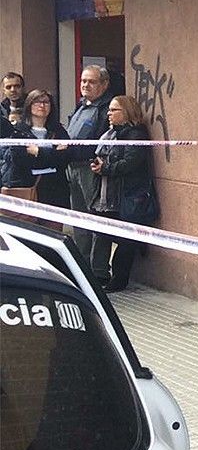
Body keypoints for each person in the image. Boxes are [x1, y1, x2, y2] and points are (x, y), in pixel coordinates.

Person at [90, 96, 158, 292]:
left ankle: (119, 278)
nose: (109, 114)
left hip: (128, 195)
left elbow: (131, 162)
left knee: (125, 239)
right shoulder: (112, 134)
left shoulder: (135, 135)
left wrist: (107, 168)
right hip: (110, 194)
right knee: (104, 230)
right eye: (109, 110)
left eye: (114, 110)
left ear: (126, 112)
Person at [65, 66, 115, 282]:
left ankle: (98, 272)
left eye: (91, 81)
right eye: (83, 80)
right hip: (72, 168)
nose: (85, 85)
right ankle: (82, 267)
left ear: (104, 85)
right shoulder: (81, 105)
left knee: (96, 220)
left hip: (90, 169)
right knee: (79, 220)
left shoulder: (107, 109)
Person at [19, 89, 71, 211]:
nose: (42, 106)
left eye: (46, 102)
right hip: (28, 189)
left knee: (53, 229)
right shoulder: (20, 131)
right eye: (37, 102)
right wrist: (53, 156)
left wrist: (38, 152)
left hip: (56, 191)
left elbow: (65, 158)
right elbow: (21, 161)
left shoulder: (58, 130)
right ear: (29, 105)